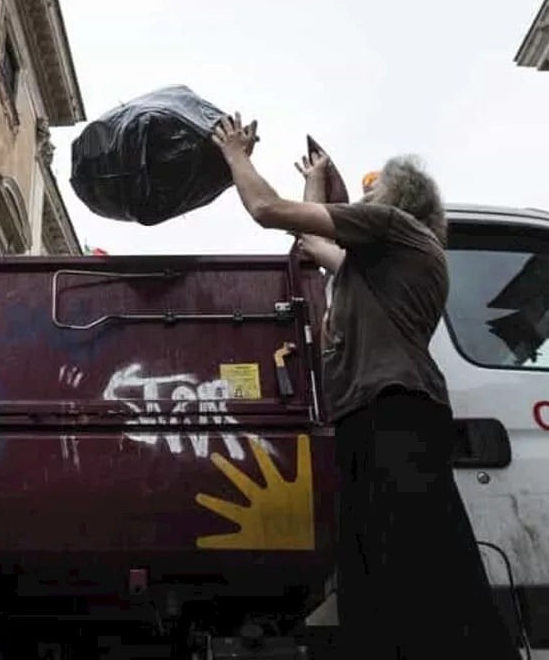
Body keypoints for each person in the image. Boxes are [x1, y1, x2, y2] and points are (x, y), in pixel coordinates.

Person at [211, 114, 520, 659]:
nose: (363, 196)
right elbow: (310, 239)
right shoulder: (382, 263)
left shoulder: (393, 228)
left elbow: (267, 212)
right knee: (380, 570)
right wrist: (314, 176)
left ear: (398, 198)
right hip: (375, 416)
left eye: (372, 190)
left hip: (393, 414)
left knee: (415, 570)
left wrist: (236, 154)